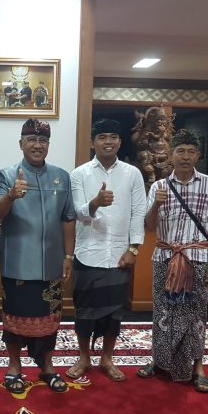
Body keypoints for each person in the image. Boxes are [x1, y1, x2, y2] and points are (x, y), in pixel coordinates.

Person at [136, 129, 208, 393]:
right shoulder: (159, 187)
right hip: (164, 258)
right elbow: (150, 226)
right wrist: (155, 205)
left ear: (198, 156)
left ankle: (198, 367)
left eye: (191, 152)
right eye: (180, 151)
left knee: (195, 314)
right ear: (171, 155)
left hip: (198, 258)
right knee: (163, 312)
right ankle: (159, 361)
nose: (185, 157)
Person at [0, 118, 76, 394]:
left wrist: (68, 256)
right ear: (21, 144)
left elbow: (68, 218)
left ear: (48, 145)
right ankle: (14, 367)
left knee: (50, 318)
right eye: (31, 140)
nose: (37, 145)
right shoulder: (6, 175)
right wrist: (11, 196)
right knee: (15, 320)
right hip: (17, 264)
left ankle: (47, 367)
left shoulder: (62, 176)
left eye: (42, 141)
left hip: (51, 263)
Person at [68, 119, 146, 382]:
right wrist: (95, 203)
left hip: (119, 256)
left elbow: (139, 213)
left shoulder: (132, 173)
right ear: (93, 143)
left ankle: (107, 358)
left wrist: (133, 249)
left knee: (114, 312)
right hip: (87, 253)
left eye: (113, 136)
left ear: (120, 142)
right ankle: (83, 358)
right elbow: (78, 212)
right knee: (84, 311)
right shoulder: (79, 174)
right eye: (102, 137)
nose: (108, 141)